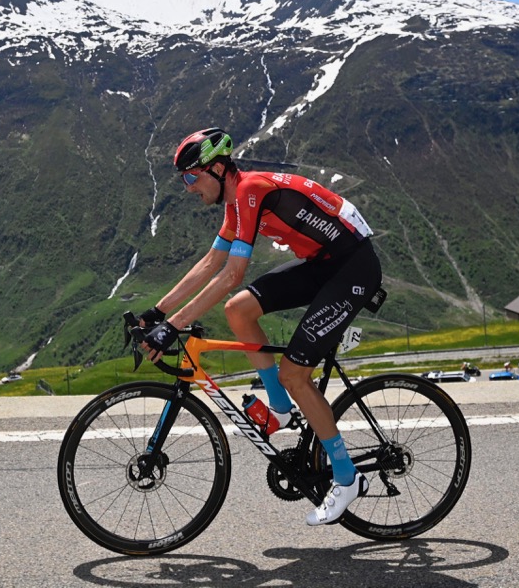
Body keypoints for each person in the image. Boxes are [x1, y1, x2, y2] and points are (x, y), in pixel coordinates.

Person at [137, 127, 381, 527]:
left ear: (217, 169)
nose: (187, 188)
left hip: (353, 267)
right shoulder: (235, 203)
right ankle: (281, 409)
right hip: (324, 264)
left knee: (295, 374)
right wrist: (158, 312)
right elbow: (210, 263)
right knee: (239, 311)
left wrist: (176, 324)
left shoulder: (251, 190)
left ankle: (346, 475)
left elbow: (233, 273)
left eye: (190, 177)